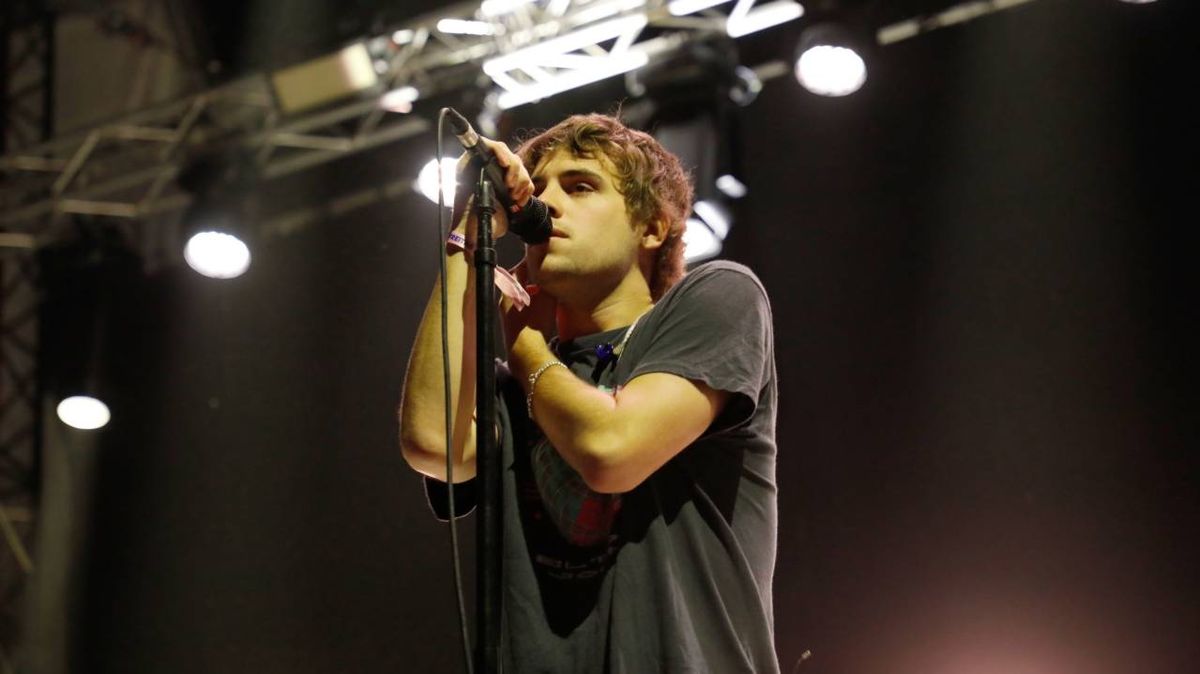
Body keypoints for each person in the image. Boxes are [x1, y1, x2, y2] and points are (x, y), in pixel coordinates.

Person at [399, 113, 779, 673]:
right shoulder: (514, 389)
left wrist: (525, 346)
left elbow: (611, 452)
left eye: (580, 187)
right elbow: (432, 443)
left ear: (652, 229)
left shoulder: (719, 297)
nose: (547, 203)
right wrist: (468, 232)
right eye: (538, 189)